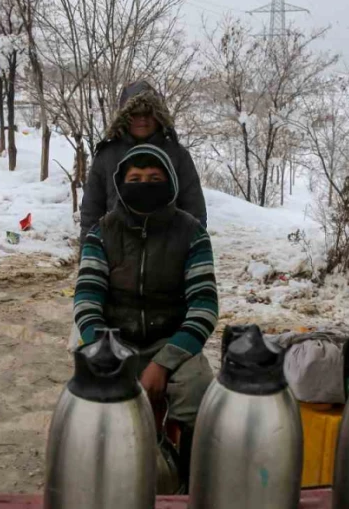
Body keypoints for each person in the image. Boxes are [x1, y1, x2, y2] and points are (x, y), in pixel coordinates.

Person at [73, 143, 218, 487]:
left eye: (154, 177)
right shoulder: (101, 233)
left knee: (199, 392)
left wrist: (164, 363)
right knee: (86, 402)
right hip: (113, 344)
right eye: (135, 178)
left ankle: (187, 480)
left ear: (170, 182)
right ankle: (95, 477)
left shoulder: (192, 233)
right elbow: (86, 301)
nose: (144, 184)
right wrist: (108, 355)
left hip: (171, 343)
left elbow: (204, 306)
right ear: (120, 185)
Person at [80, 81, 207, 242]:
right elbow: (91, 210)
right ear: (125, 117)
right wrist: (88, 254)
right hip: (117, 249)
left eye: (148, 113)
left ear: (158, 116)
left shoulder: (177, 154)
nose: (143, 120)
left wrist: (195, 249)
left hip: (168, 249)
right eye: (135, 114)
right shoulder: (107, 155)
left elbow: (194, 208)